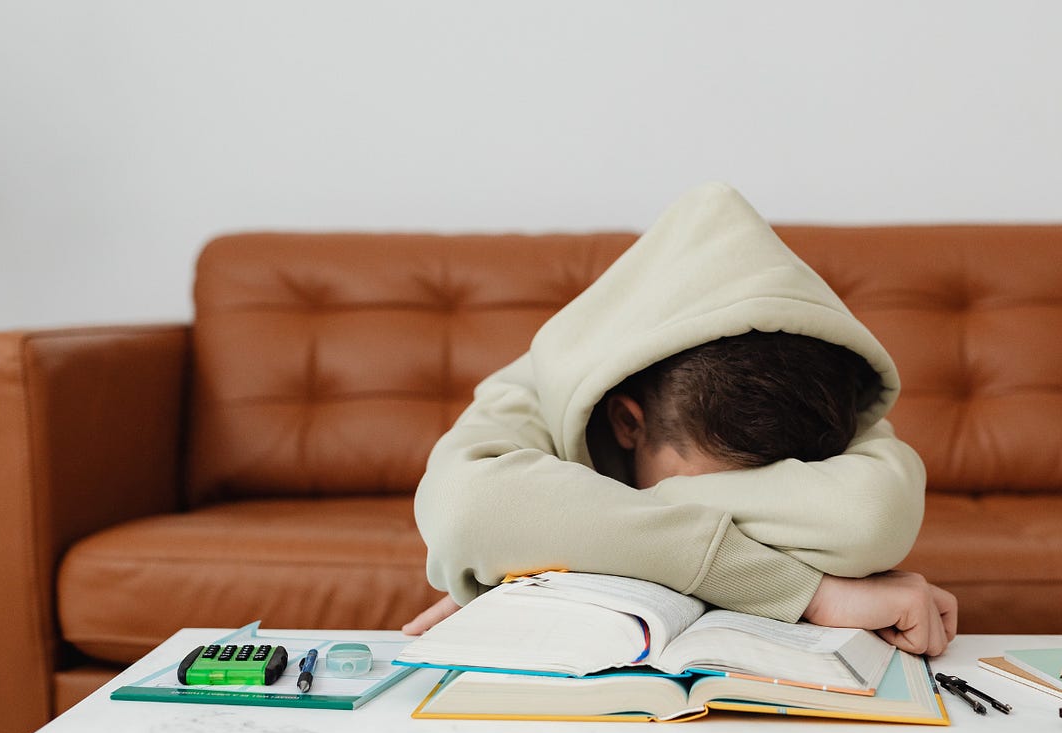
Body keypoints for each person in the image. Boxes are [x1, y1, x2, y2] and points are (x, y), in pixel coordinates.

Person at [406, 183, 958, 655]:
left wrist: (544, 541)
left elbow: (870, 516)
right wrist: (804, 590)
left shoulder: (817, 388)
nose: (740, 508)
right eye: (717, 487)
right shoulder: (535, 386)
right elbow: (467, 510)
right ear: (628, 423)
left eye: (770, 491)